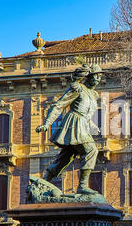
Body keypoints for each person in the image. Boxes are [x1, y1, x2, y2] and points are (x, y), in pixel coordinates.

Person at [36, 64, 104, 195]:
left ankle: (44, 182)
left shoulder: (94, 94)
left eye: (100, 76)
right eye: (96, 76)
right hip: (74, 124)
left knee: (66, 157)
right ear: (89, 76)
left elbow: (87, 115)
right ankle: (82, 186)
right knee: (91, 150)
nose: (99, 79)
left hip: (83, 125)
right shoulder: (78, 88)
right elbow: (59, 105)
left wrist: (94, 127)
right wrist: (47, 124)